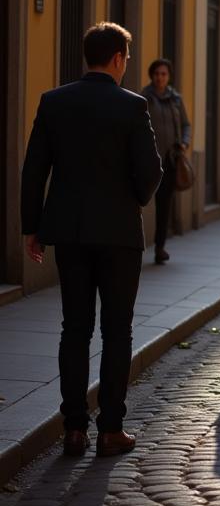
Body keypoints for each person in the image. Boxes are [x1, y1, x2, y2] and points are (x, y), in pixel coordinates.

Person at [21, 22, 163, 458]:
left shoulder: (54, 102)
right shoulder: (133, 106)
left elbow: (34, 171)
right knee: (117, 330)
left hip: (71, 232)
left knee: (74, 329)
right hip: (119, 234)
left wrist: (33, 228)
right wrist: (135, 199)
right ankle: (111, 429)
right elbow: (151, 171)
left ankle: (74, 429)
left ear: (87, 56)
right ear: (119, 59)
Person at [142, 59, 191, 265]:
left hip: (170, 161)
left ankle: (160, 247)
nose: (160, 77)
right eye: (157, 74)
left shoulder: (176, 99)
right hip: (147, 161)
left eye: (164, 74)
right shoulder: (143, 98)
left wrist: (184, 143)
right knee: (140, 202)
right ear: (151, 76)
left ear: (168, 76)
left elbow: (186, 125)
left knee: (164, 206)